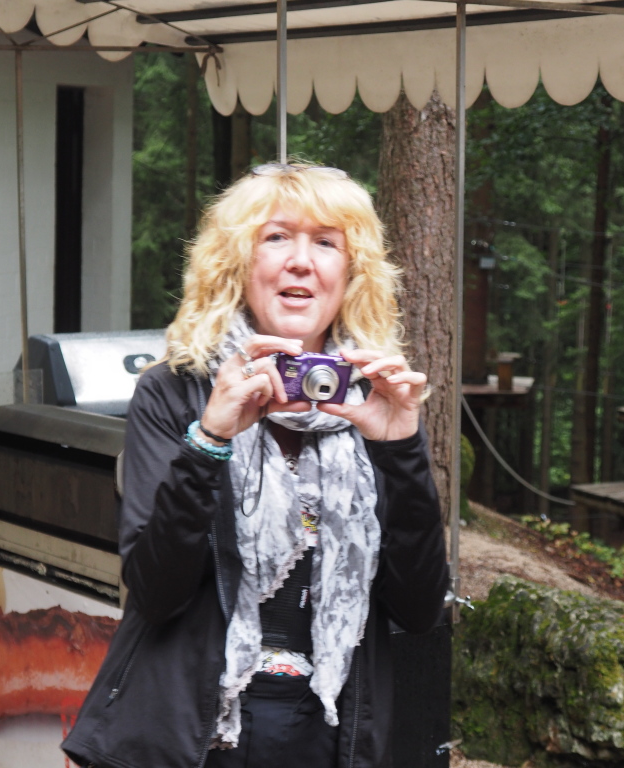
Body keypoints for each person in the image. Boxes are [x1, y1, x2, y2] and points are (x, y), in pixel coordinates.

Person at [63, 163, 449, 768]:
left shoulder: (373, 398)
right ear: (238, 263)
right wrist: (210, 438)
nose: (301, 261)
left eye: (326, 243)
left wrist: (400, 448)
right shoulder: (178, 393)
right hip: (194, 735)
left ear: (351, 274)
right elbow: (155, 593)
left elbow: (420, 610)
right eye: (277, 237)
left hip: (329, 731)